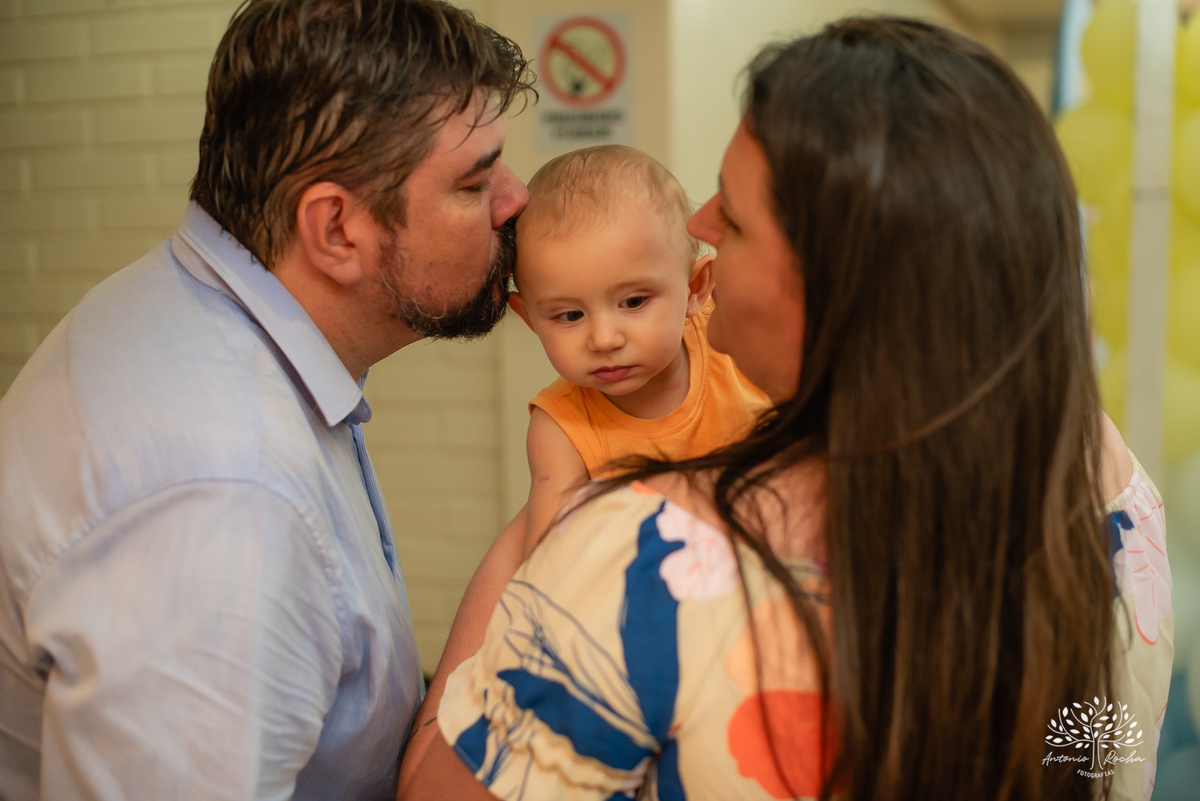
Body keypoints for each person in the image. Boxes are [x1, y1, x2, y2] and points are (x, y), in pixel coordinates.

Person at [397, 16, 1173, 801]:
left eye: (731, 217)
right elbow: (1108, 753)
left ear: (829, 284)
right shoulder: (1114, 490)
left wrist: (527, 553)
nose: (698, 225)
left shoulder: (641, 562)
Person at [0, 1, 532, 798]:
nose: (515, 198)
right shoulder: (227, 502)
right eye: (473, 180)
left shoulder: (184, 307)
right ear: (337, 230)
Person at [505, 145, 770, 550]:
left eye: (633, 302)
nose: (605, 340)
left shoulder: (736, 345)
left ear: (696, 288)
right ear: (530, 320)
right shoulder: (560, 430)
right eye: (570, 316)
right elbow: (548, 569)